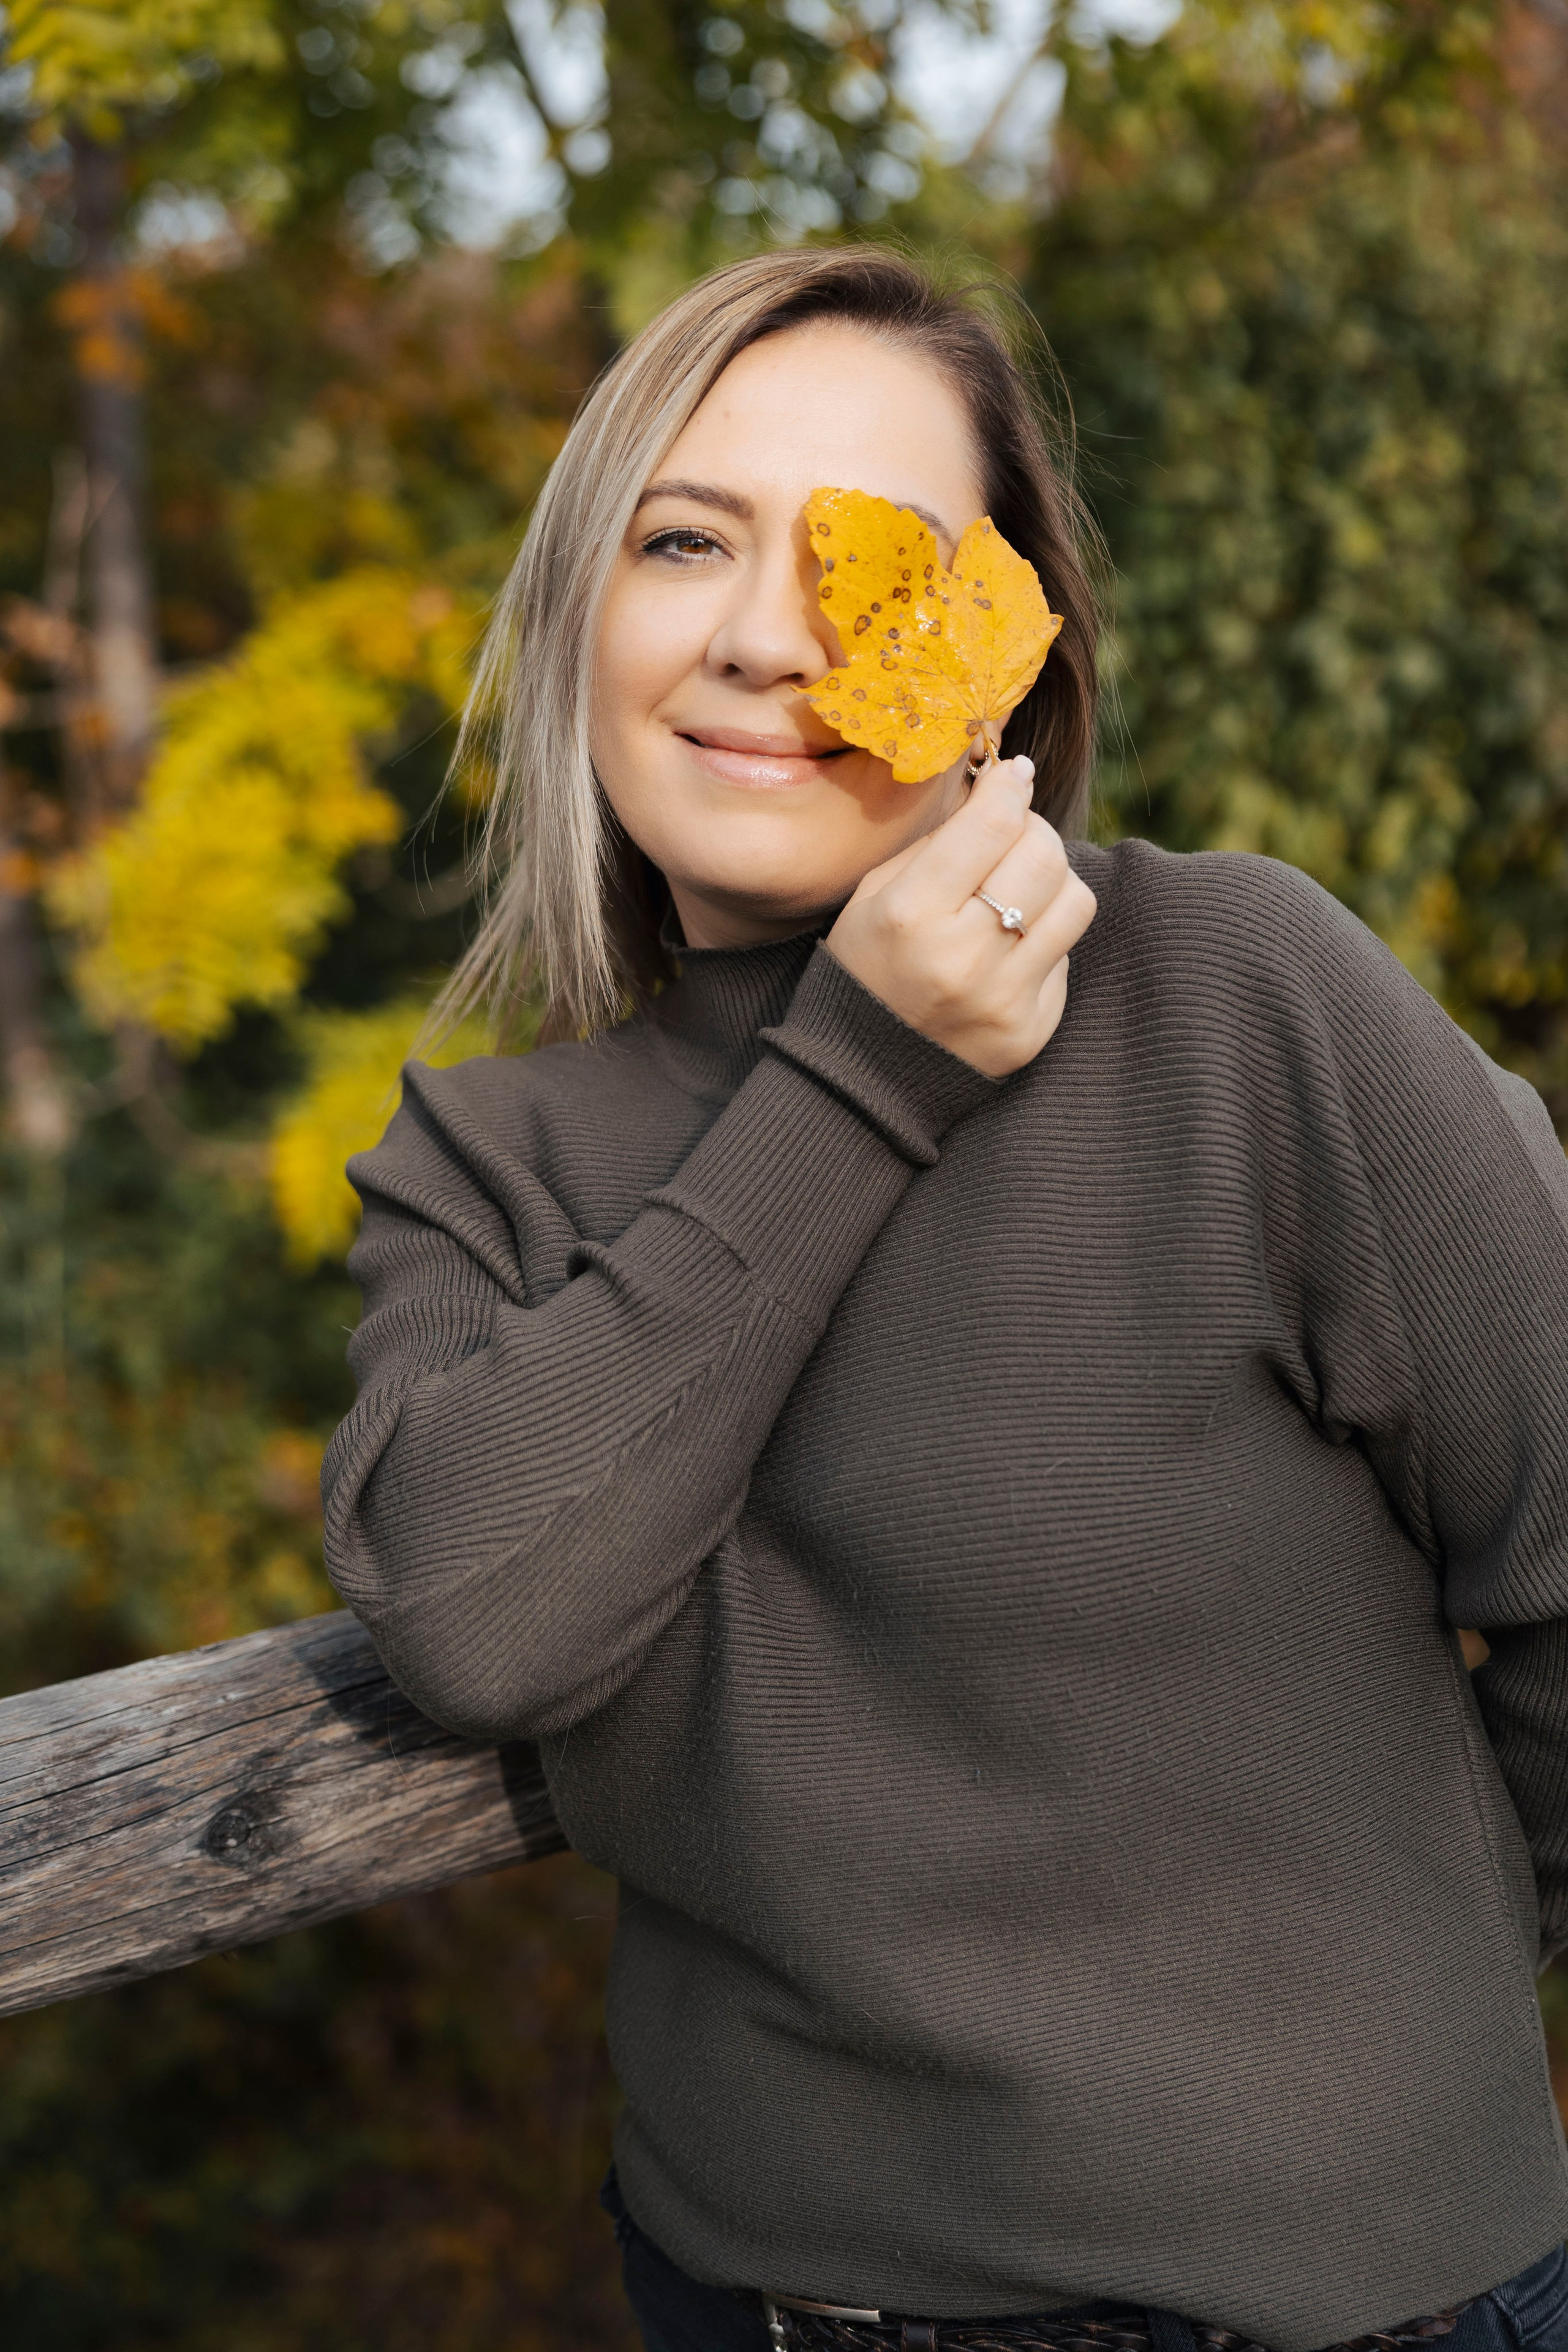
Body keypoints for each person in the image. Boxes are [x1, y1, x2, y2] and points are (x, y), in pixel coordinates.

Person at [322, 246, 1568, 2352]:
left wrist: (1412, 2019)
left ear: (1006, 651)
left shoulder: (1239, 1001)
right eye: (684, 538)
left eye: (869, 558)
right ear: (577, 613)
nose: (759, 634)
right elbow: (472, 1617)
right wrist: (865, 1078)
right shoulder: (486, 1161)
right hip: (751, 2302)